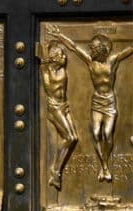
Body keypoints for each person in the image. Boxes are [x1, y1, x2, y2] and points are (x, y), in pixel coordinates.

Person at [47, 25, 133, 182]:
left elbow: (127, 51)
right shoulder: (90, 62)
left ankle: (105, 166)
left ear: (101, 50)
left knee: (107, 134)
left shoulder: (112, 61)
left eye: (93, 48)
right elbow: (74, 47)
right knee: (95, 133)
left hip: (109, 102)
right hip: (97, 101)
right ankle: (104, 167)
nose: (90, 50)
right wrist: (59, 36)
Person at [38, 41, 78, 190]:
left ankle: (56, 171)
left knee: (74, 138)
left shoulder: (61, 69)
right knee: (69, 138)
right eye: (61, 55)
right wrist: (43, 50)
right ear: (54, 57)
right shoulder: (46, 70)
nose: (65, 57)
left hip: (64, 105)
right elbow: (42, 56)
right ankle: (55, 171)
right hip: (54, 108)